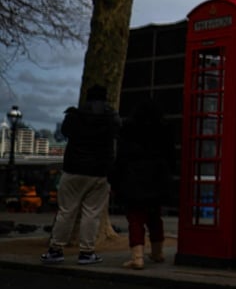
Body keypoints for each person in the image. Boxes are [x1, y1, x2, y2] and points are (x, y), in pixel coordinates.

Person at [42, 85, 121, 265]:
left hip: (73, 169)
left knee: (66, 211)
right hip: (100, 172)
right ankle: (86, 252)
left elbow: (64, 132)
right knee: (92, 213)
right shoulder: (111, 118)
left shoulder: (74, 115)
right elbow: (118, 134)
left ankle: (55, 250)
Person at [109, 98, 174, 269]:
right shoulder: (164, 129)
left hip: (134, 179)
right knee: (155, 217)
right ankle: (158, 252)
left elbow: (121, 159)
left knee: (135, 218)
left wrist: (114, 181)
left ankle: (137, 258)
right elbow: (171, 155)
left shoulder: (129, 129)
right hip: (158, 178)